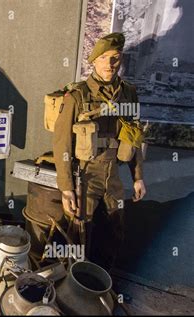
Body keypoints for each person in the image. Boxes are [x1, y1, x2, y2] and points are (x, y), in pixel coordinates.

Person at [53, 33, 147, 272]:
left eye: (115, 58)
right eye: (104, 57)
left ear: (121, 59)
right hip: (85, 175)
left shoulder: (128, 94)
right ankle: (71, 282)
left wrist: (138, 176)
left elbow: (134, 138)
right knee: (79, 233)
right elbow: (61, 144)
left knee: (114, 231)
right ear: (94, 60)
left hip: (112, 175)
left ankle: (103, 282)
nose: (109, 64)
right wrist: (66, 188)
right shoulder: (77, 96)